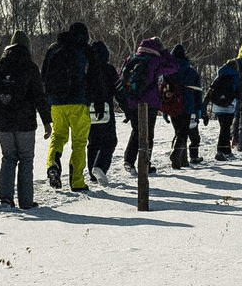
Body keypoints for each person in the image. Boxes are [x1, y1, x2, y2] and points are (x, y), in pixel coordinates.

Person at [0, 31, 52, 210]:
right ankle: (26, 201)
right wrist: (47, 122)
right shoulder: (30, 67)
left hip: (2, 120)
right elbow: (39, 96)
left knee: (8, 157)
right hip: (25, 121)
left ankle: (6, 199)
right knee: (26, 159)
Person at [39, 22, 93, 192]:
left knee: (58, 136)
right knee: (79, 142)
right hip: (78, 102)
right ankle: (77, 182)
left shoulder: (54, 48)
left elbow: (43, 76)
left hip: (56, 103)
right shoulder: (84, 49)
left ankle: (52, 165)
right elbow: (94, 76)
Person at [119, 37, 166, 176]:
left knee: (136, 130)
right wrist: (164, 51)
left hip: (132, 101)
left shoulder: (131, 58)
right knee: (148, 134)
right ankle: (145, 164)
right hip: (149, 102)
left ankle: (129, 160)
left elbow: (122, 76)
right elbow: (174, 66)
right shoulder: (155, 60)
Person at [84, 39, 119, 186]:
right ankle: (100, 166)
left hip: (88, 109)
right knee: (110, 140)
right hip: (105, 109)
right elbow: (119, 90)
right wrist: (127, 108)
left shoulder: (86, 69)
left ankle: (93, 173)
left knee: (93, 142)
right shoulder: (109, 69)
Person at [205, 56, 242, 160]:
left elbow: (211, 91)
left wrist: (205, 105)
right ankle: (220, 151)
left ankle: (227, 150)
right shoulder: (235, 76)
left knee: (224, 127)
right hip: (229, 106)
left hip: (217, 106)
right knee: (225, 129)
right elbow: (239, 92)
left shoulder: (220, 75)